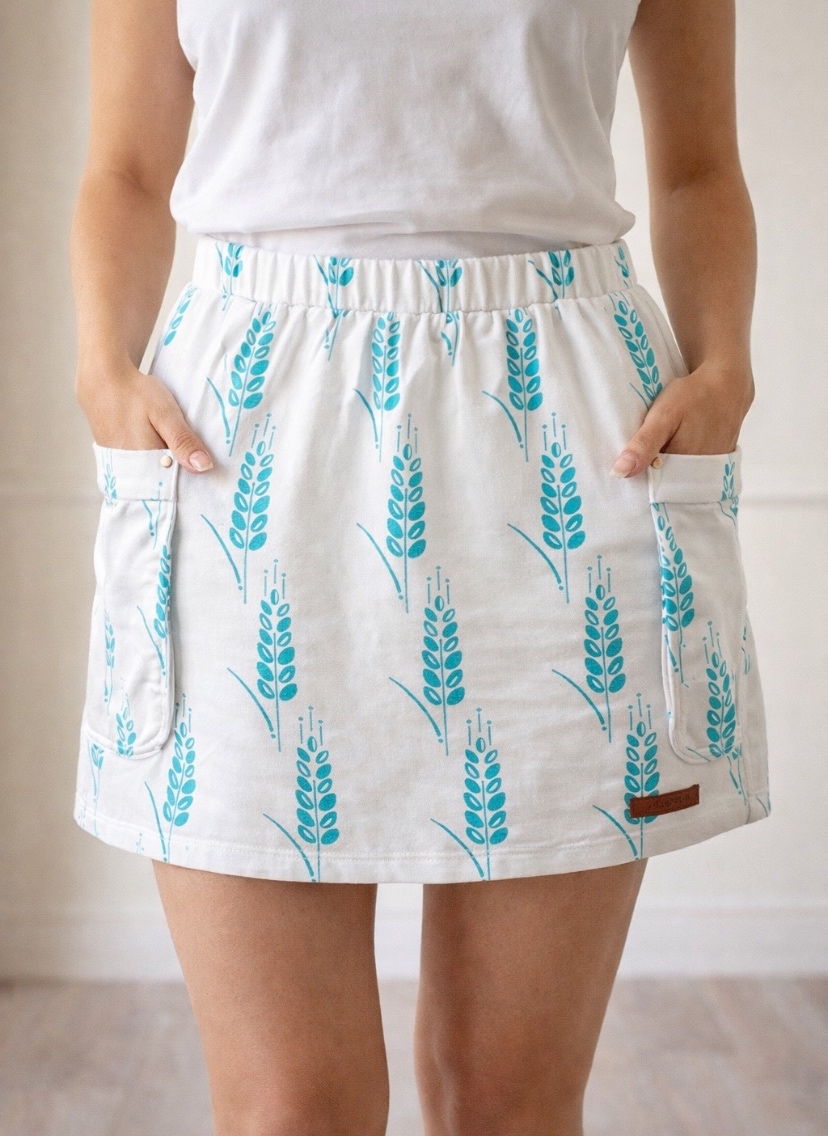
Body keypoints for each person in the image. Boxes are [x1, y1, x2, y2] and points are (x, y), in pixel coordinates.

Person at [69, 0, 771, 1133]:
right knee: (289, 1108)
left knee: (508, 1100)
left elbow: (698, 167)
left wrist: (725, 362)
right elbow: (126, 170)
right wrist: (103, 369)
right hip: (243, 448)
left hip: (571, 437)